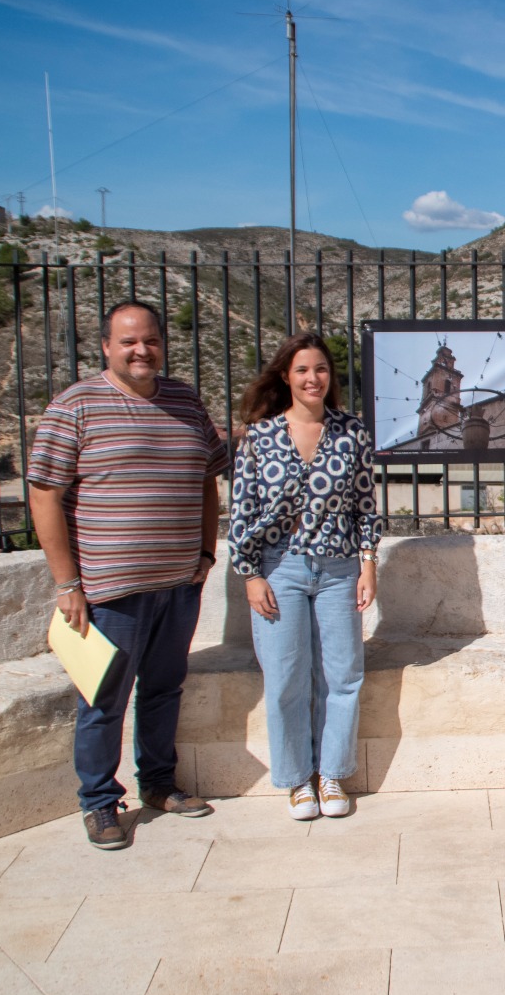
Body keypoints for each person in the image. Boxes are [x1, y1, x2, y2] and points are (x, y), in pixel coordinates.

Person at [28, 300, 229, 850]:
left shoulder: (186, 401)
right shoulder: (74, 407)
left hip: (180, 584)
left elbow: (208, 481)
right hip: (108, 591)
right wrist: (67, 584)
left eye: (151, 341)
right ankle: (99, 803)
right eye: (128, 341)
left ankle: (159, 785)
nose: (142, 350)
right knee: (103, 700)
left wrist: (206, 557)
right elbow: (44, 494)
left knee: (164, 690)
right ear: (106, 346)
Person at [229, 333, 379, 821]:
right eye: (301, 370)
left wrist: (368, 564)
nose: (312, 378)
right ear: (285, 377)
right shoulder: (260, 436)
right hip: (280, 569)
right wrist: (250, 574)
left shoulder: (351, 432)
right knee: (286, 678)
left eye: (320, 369)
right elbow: (242, 509)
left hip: (339, 569)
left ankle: (332, 773)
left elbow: (364, 506)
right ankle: (297, 781)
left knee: (343, 674)